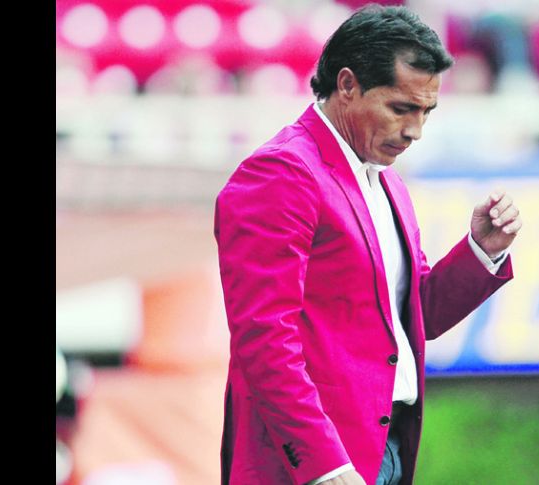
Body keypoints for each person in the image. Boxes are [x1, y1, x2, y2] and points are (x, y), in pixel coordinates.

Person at [213, 5, 522, 485]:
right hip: (316, 465)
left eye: (426, 112)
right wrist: (323, 464)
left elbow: (414, 315)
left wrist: (481, 251)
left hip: (384, 447)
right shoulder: (281, 173)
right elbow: (265, 340)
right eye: (401, 109)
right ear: (347, 85)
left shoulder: (385, 178)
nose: (415, 131)